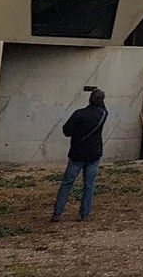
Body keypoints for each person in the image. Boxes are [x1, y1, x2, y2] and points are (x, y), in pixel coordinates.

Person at [51, 87, 108, 222]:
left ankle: (57, 213)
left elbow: (66, 131)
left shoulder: (79, 114)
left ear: (89, 99)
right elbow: (104, 108)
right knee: (89, 184)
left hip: (77, 153)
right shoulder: (103, 114)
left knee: (67, 183)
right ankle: (85, 213)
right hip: (94, 154)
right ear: (102, 101)